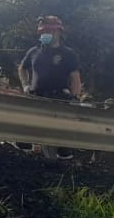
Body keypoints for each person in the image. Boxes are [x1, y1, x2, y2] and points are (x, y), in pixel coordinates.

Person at [18, 16, 82, 159]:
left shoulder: (68, 54)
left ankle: (62, 162)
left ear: (58, 32)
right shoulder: (33, 52)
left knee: (62, 143)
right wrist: (25, 85)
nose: (44, 35)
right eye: (42, 32)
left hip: (59, 99)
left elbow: (75, 79)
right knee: (25, 139)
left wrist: (75, 98)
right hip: (36, 97)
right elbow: (22, 68)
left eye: (48, 31)